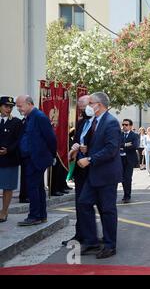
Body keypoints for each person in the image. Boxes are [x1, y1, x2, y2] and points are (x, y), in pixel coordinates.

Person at [77, 92, 122, 259]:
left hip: (106, 174)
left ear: (99, 104)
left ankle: (110, 245)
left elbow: (111, 149)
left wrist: (90, 159)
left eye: (91, 102)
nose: (88, 105)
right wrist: (85, 149)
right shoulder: (95, 121)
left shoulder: (110, 123)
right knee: (83, 203)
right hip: (94, 174)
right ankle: (91, 241)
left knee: (107, 210)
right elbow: (97, 144)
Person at [16, 95, 56, 226]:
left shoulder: (39, 117)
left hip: (37, 158)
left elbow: (51, 138)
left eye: (20, 105)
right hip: (30, 158)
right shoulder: (29, 117)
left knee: (32, 187)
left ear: (29, 104)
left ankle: (34, 216)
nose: (18, 108)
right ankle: (41, 215)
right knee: (37, 187)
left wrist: (52, 155)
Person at [62, 94, 94, 246]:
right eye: (80, 108)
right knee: (80, 204)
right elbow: (75, 141)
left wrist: (88, 150)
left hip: (93, 169)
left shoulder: (99, 123)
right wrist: (74, 148)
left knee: (90, 204)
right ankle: (80, 234)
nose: (81, 110)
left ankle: (92, 238)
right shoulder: (81, 123)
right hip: (80, 170)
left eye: (84, 107)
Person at [0, 96, 23, 223]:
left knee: (7, 187)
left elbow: (18, 141)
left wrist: (8, 150)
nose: (8, 109)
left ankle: (4, 211)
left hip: (9, 159)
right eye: (6, 106)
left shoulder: (16, 122)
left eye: (11, 107)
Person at [120, 119, 139, 203]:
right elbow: (116, 144)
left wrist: (122, 146)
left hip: (129, 160)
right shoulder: (119, 134)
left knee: (127, 178)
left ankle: (127, 196)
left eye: (126, 125)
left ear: (130, 126)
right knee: (121, 178)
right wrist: (126, 145)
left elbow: (135, 146)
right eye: (123, 124)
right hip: (119, 159)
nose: (124, 126)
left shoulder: (134, 135)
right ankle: (125, 194)